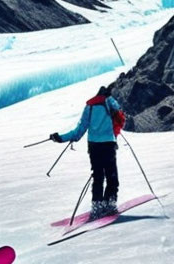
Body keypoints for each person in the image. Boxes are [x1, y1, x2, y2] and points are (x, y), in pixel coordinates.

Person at [51, 86, 125, 218]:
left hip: (93, 146)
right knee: (111, 176)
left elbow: (80, 129)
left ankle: (97, 206)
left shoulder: (89, 107)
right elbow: (120, 117)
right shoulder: (110, 102)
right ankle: (110, 204)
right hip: (108, 144)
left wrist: (61, 138)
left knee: (98, 176)